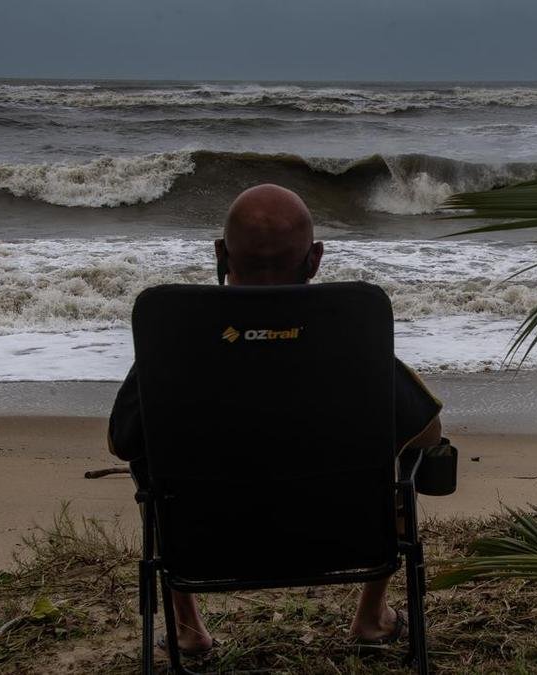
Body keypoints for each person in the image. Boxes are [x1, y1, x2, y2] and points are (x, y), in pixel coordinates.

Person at [108, 183, 443, 654]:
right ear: (315, 259)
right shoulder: (350, 333)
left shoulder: (175, 336)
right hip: (343, 539)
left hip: (206, 544)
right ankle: (371, 616)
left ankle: (188, 629)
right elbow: (428, 432)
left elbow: (122, 442)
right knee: (405, 453)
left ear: (221, 254)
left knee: (149, 462)